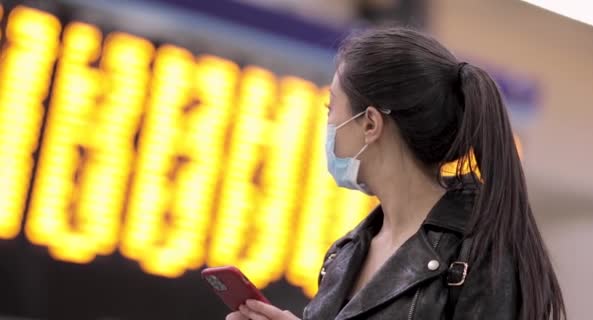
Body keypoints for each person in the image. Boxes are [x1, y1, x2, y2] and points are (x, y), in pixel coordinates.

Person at [227, 26, 566, 320]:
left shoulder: (482, 256)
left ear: (371, 123)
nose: (328, 124)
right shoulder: (344, 254)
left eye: (332, 109)